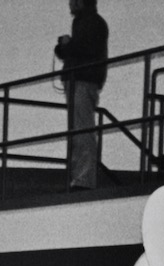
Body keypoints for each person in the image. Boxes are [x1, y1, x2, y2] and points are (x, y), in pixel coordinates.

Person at [56, 0, 109, 190]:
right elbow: (83, 49)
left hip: (83, 80)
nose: (70, 3)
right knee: (79, 130)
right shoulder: (90, 22)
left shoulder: (90, 22)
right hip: (81, 80)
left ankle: (83, 179)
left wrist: (65, 45)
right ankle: (80, 177)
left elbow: (82, 49)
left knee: (81, 130)